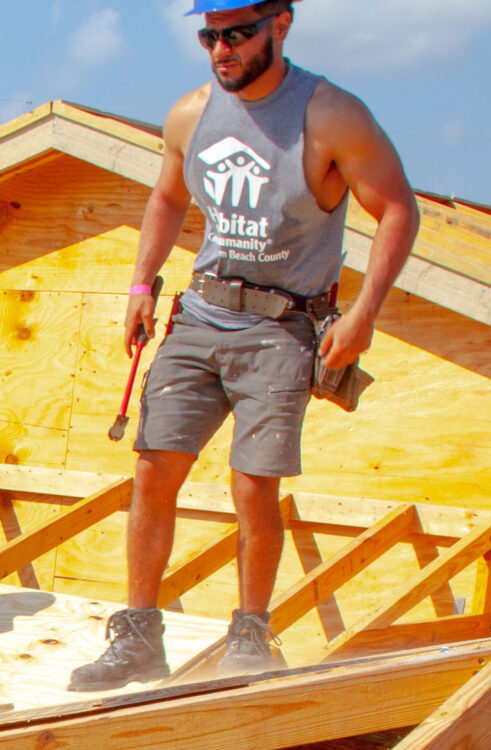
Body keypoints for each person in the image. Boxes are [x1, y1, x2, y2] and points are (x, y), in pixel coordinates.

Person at [69, 0, 418, 689]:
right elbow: (168, 198)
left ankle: (250, 637)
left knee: (253, 485)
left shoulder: (330, 116)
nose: (221, 49)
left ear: (280, 25)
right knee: (153, 468)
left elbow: (398, 208)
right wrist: (141, 284)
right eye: (209, 36)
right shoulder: (190, 114)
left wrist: (365, 313)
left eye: (238, 33)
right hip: (201, 314)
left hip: (283, 327)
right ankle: (138, 636)